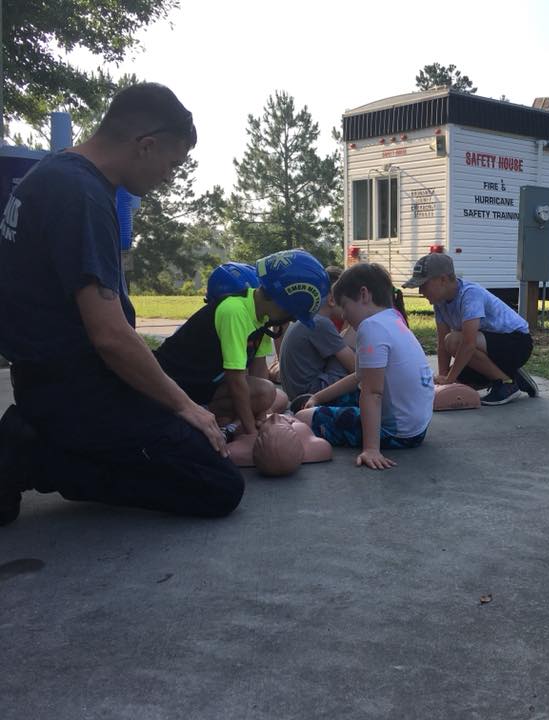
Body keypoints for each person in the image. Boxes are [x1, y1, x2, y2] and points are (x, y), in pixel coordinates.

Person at [0, 82, 243, 525]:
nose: (170, 176)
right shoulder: (82, 194)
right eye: (172, 164)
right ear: (145, 146)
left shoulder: (58, 171)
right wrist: (186, 407)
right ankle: (33, 452)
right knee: (217, 484)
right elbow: (110, 337)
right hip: (77, 390)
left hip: (71, 373)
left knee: (212, 329)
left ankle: (54, 437)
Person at [154, 249, 329, 436]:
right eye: (292, 313)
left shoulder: (261, 318)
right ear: (281, 301)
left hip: (205, 388)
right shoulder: (235, 311)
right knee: (264, 393)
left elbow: (259, 373)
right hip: (173, 388)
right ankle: (199, 419)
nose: (292, 320)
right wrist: (252, 433)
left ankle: (221, 420)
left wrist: (261, 415)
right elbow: (236, 380)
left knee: (268, 393)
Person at [295, 262, 433, 470]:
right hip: (415, 428)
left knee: (302, 418)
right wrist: (318, 397)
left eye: (345, 305)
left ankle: (369, 440)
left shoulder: (371, 327)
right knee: (326, 402)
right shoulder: (394, 318)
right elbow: (360, 376)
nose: (343, 315)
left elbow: (372, 393)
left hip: (396, 433)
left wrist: (371, 449)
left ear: (364, 294)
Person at [403, 253, 538, 406]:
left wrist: (449, 380)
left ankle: (507, 384)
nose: (421, 291)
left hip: (517, 343)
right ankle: (510, 373)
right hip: (489, 346)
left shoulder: (470, 294)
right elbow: (441, 346)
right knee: (462, 384)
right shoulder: (440, 303)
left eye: (423, 285)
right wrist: (444, 378)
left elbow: (467, 344)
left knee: (453, 341)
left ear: (443, 280)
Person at [278, 265, 356, 401]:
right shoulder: (320, 323)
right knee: (353, 339)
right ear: (331, 300)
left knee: (342, 340)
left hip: (298, 391)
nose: (348, 307)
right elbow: (355, 367)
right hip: (309, 394)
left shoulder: (310, 317)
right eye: (346, 302)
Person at [227, 413, 332, 474]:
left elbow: (227, 451)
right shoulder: (303, 433)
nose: (275, 416)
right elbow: (324, 447)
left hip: (247, 413)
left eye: (271, 424)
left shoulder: (243, 445)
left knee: (277, 398)